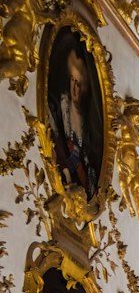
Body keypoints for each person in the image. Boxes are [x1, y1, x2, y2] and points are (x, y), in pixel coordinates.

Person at [51, 44, 100, 199]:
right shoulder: (61, 107)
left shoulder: (88, 121)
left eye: (78, 83)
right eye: (72, 80)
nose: (74, 88)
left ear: (84, 87)